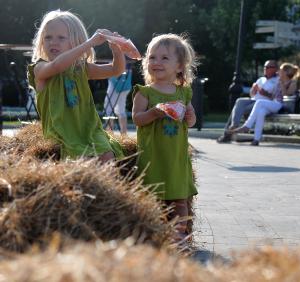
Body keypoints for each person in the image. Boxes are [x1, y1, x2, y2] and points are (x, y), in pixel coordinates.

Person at [27, 10, 124, 162]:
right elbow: (58, 66)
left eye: (61, 38)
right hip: (61, 133)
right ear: (41, 42)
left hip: (89, 129)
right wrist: (90, 43)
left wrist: (117, 50)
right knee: (83, 162)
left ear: (75, 41)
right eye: (48, 37)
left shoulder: (80, 69)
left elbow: (115, 70)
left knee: (108, 156)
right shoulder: (39, 69)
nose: (53, 42)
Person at [132, 34, 198, 243]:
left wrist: (190, 116)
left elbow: (190, 120)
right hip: (153, 156)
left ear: (179, 66)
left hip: (176, 157)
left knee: (180, 199)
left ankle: (180, 234)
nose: (156, 62)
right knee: (153, 197)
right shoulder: (144, 93)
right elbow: (137, 119)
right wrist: (153, 113)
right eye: (152, 57)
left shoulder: (183, 93)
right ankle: (154, 233)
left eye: (164, 58)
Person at [230, 62, 300, 146]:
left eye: (280, 71)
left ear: (285, 72)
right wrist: (258, 89)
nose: (278, 72)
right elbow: (274, 95)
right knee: (261, 112)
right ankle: (256, 140)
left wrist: (281, 83)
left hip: (281, 105)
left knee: (259, 102)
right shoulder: (278, 81)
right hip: (273, 103)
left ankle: (247, 125)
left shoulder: (292, 83)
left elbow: (286, 94)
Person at [216, 60, 279, 143]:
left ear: (275, 69)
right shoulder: (261, 79)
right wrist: (253, 90)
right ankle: (234, 125)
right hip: (254, 100)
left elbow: (275, 97)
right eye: (265, 67)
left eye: (268, 67)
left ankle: (227, 134)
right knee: (239, 101)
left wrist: (264, 92)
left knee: (235, 111)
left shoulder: (277, 81)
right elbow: (252, 95)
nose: (265, 69)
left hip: (263, 103)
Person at [104, 65, 132, 135]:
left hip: (115, 85)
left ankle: (110, 134)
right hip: (125, 85)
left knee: (108, 109)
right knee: (121, 110)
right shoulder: (127, 58)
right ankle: (124, 134)